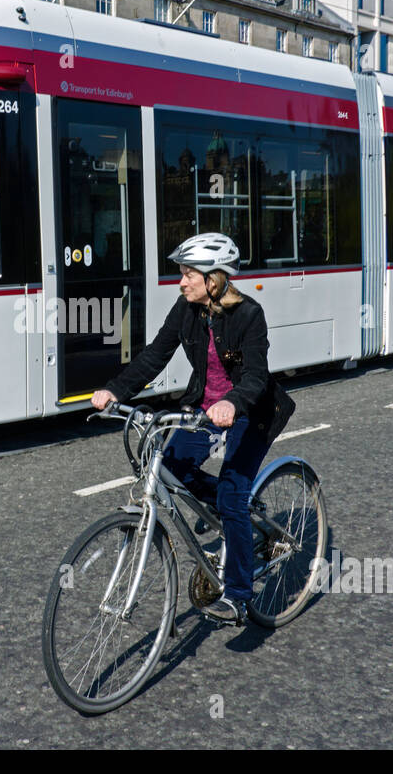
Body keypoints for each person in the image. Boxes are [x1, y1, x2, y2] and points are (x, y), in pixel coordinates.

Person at [91, 233, 293, 626]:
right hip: (202, 408)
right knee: (169, 465)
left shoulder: (249, 315)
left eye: (188, 274)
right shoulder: (186, 311)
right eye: (181, 273)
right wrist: (114, 390)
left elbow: (255, 377)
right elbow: (154, 356)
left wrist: (232, 403)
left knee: (233, 496)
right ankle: (236, 516)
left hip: (250, 410)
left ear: (213, 279)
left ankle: (236, 595)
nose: (181, 282)